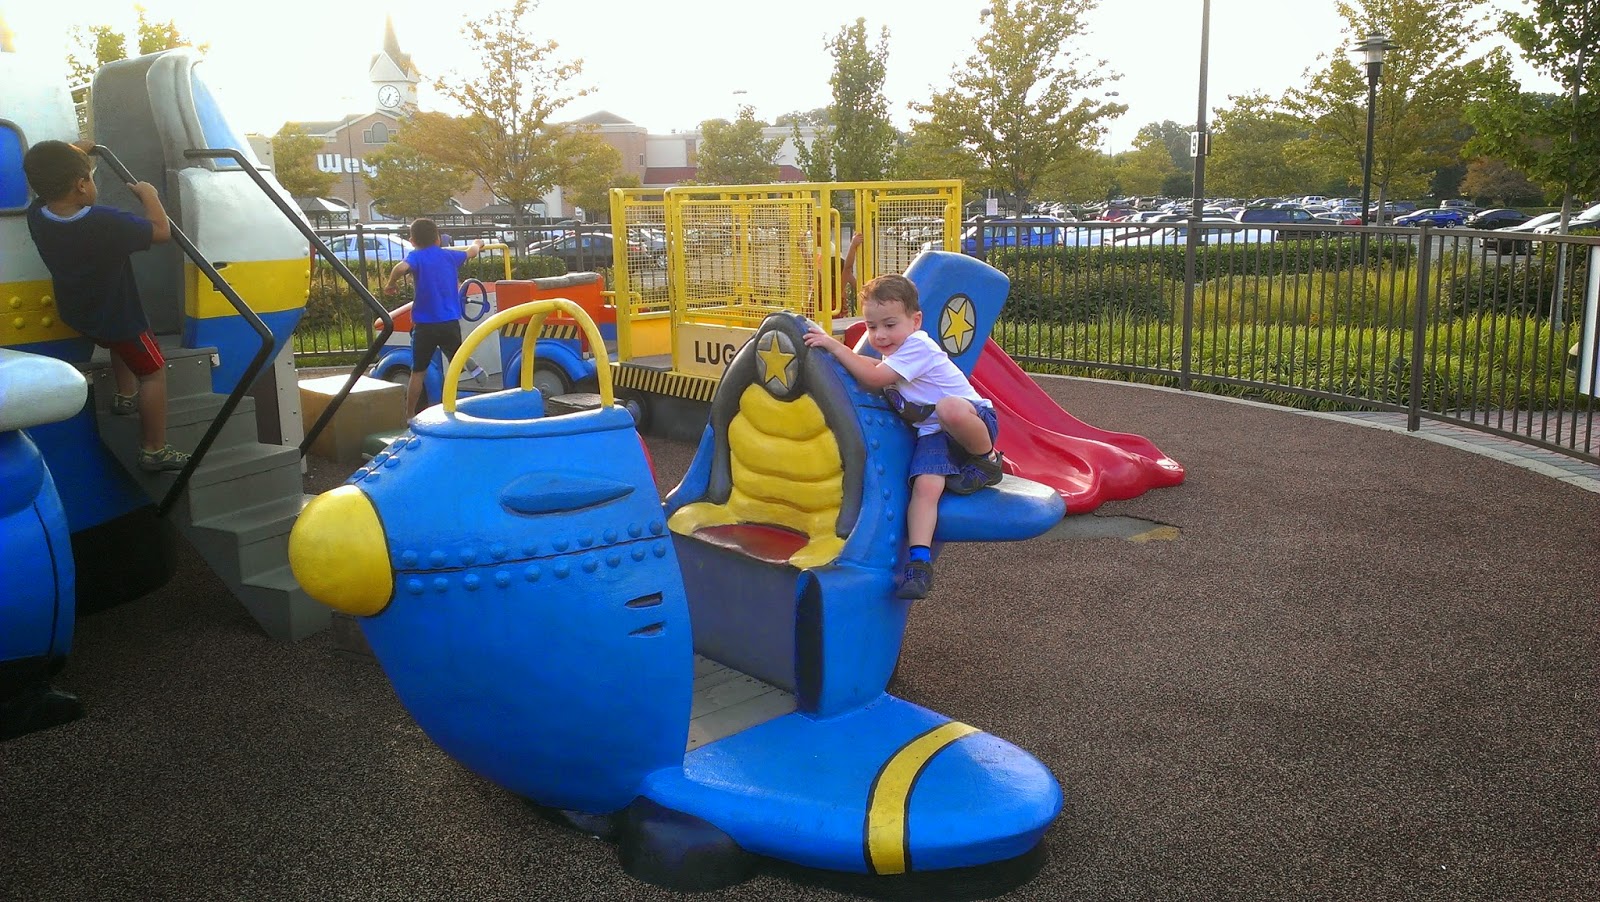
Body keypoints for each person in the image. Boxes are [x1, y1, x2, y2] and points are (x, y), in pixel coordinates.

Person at [802, 273, 1004, 600]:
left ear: (916, 320)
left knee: (950, 406)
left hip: (972, 419)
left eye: (889, 324)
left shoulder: (918, 346)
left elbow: (872, 377)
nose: (879, 335)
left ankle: (988, 460)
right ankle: (920, 563)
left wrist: (832, 345)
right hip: (935, 434)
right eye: (871, 326)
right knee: (925, 487)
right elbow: (872, 366)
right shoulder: (894, 355)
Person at [22, 139, 187, 472]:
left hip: (81, 313)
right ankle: (154, 449)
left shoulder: (37, 215)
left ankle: (124, 396)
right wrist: (149, 195)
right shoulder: (104, 223)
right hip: (122, 317)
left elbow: (49, 176)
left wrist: (75, 152)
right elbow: (160, 232)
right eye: (91, 178)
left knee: (114, 342)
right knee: (153, 374)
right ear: (82, 186)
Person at [382, 219, 485, 414]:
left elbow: (400, 268)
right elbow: (471, 252)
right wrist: (478, 243)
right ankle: (463, 372)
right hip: (449, 321)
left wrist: (391, 283)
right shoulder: (449, 256)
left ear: (412, 241)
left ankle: (410, 415)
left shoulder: (416, 257)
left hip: (425, 324)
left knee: (418, 371)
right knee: (454, 362)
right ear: (438, 239)